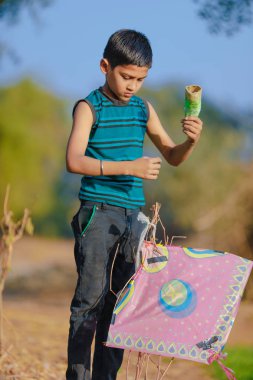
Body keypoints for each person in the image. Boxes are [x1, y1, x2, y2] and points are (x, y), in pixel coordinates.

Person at [65, 29, 203, 380]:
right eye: (126, 76)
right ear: (104, 66)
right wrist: (130, 167)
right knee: (89, 303)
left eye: (140, 79)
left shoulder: (143, 109)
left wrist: (190, 141)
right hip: (97, 213)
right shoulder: (88, 107)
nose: (132, 86)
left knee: (119, 307)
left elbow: (172, 156)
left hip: (133, 220)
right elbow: (74, 160)